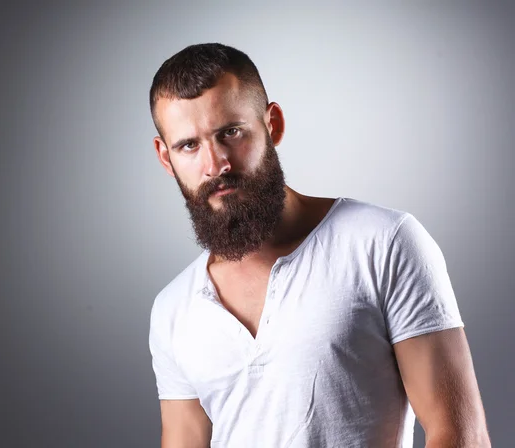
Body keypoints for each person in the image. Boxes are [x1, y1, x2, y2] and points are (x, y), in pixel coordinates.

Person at [147, 43, 491, 447]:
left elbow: (461, 435)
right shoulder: (173, 309)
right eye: (189, 145)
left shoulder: (382, 243)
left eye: (231, 132)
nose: (215, 164)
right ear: (166, 158)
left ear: (272, 124)